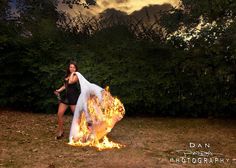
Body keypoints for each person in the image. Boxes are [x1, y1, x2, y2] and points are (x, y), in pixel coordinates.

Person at [54, 61, 80, 139]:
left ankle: (80, 132)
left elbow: (71, 81)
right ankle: (61, 131)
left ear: (76, 68)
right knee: (59, 114)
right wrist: (58, 90)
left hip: (73, 98)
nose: (72, 68)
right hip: (66, 97)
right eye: (70, 67)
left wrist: (72, 73)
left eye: (73, 67)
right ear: (69, 68)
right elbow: (65, 85)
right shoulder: (67, 75)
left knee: (76, 116)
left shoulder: (76, 75)